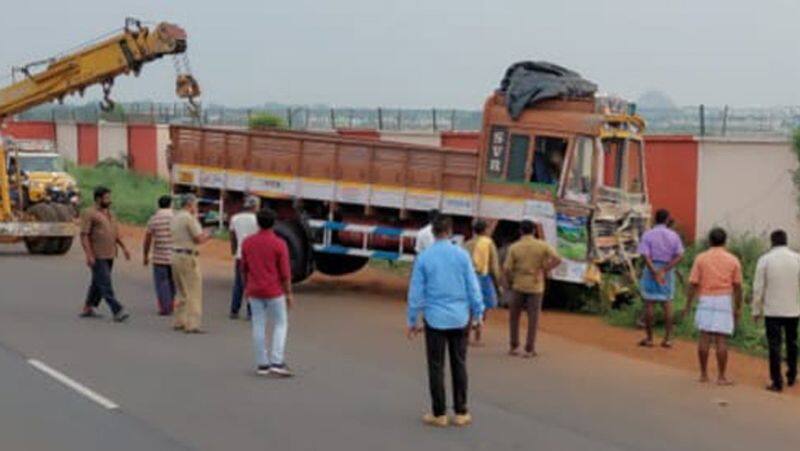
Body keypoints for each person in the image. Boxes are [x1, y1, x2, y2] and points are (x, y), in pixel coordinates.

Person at [407, 215, 483, 428]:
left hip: (435, 318)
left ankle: (439, 413)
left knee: (436, 365)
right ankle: (461, 412)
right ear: (450, 232)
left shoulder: (424, 258)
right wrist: (478, 313)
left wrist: (413, 320)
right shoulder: (462, 255)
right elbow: (473, 287)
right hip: (460, 317)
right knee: (459, 363)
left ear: (432, 232)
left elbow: (416, 293)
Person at [683, 228, 742, 385]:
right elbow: (737, 286)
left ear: (709, 241)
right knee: (721, 339)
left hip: (706, 299)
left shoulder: (701, 258)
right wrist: (738, 306)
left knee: (704, 337)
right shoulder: (733, 260)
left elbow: (693, 283)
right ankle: (721, 376)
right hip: (724, 299)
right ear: (725, 241)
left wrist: (688, 304)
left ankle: (703, 374)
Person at [241, 207, 294, 377]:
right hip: (274, 291)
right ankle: (277, 361)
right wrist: (289, 293)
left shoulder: (248, 242)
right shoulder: (279, 244)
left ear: (257, 223)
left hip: (254, 289)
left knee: (258, 324)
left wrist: (246, 288)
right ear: (274, 223)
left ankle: (262, 363)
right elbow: (285, 273)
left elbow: (244, 268)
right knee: (280, 324)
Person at [504, 220, 561, 358]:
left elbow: (507, 268)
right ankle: (529, 348)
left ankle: (514, 345)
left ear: (520, 231)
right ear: (534, 231)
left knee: (514, 317)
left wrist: (509, 282)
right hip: (536, 285)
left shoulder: (514, 247)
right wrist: (544, 269)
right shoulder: (542, 245)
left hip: (518, 284)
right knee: (533, 319)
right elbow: (557, 259)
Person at [752, 229, 800, 392]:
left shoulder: (765, 260)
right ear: (786, 241)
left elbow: (758, 288)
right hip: (793, 310)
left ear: (772, 242)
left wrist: (756, 310)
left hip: (772, 310)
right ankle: (792, 375)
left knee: (774, 346)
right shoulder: (797, 258)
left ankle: (777, 381)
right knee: (792, 343)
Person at [79, 186, 130, 322]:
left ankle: (88, 307)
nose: (109, 200)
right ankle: (117, 309)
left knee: (97, 282)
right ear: (98, 199)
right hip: (98, 255)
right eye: (106, 198)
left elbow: (115, 234)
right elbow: (84, 235)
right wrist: (89, 254)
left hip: (110, 253)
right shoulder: (89, 213)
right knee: (105, 283)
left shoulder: (111, 214)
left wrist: (124, 248)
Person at [637, 209, 684, 348]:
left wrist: (654, 271)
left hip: (651, 269)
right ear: (667, 219)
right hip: (667, 271)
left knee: (649, 303)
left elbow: (645, 255)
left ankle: (650, 338)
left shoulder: (648, 234)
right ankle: (668, 339)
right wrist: (664, 270)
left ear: (654, 219)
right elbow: (680, 255)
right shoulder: (674, 235)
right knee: (667, 303)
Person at [171, 194, 210, 333]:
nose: (196, 208)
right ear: (190, 204)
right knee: (193, 290)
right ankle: (192, 323)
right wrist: (209, 234)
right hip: (188, 255)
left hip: (175, 254)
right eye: (195, 205)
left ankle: (179, 320)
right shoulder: (189, 218)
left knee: (181, 290)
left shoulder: (175, 216)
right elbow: (198, 238)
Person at [463, 219, 502, 346]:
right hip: (483, 278)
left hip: (469, 278)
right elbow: (494, 267)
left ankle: (466, 336)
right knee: (483, 308)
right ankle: (477, 337)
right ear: (485, 230)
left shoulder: (467, 244)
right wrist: (498, 284)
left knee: (469, 308)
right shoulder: (489, 243)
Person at [143, 195, 175, 316]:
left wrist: (145, 255)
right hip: (174, 255)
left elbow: (147, 238)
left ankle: (165, 307)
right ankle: (171, 304)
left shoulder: (154, 219)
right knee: (173, 282)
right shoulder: (176, 218)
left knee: (162, 283)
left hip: (159, 257)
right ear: (171, 204)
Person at [229, 195, 260, 320]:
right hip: (253, 256)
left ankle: (234, 310)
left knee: (238, 284)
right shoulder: (257, 220)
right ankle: (251, 312)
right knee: (252, 284)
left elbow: (232, 236)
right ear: (255, 206)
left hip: (240, 255)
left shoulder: (235, 218)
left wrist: (234, 250)